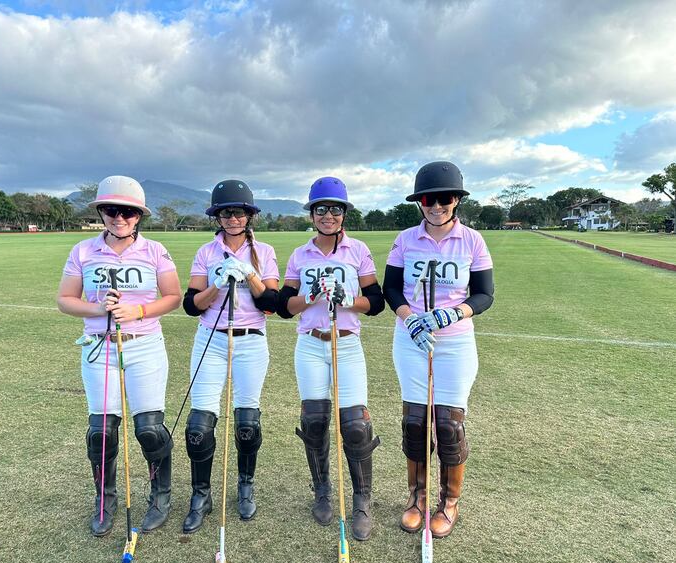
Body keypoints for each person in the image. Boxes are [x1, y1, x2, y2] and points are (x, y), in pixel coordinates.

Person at [57, 176, 182, 537]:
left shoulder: (155, 250)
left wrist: (138, 313)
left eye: (128, 211)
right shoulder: (83, 250)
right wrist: (98, 308)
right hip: (100, 347)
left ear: (138, 215)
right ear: (101, 212)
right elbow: (65, 299)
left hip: (144, 346)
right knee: (102, 432)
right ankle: (104, 500)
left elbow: (172, 296)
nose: (120, 218)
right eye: (112, 210)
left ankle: (160, 496)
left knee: (150, 429)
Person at [383, 161, 494, 538]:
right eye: (429, 199)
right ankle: (417, 498)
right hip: (412, 338)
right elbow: (391, 288)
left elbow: (484, 294)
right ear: (420, 202)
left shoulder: (473, 241)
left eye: (444, 198)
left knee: (448, 423)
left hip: (455, 341)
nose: (436, 206)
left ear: (456, 201)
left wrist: (452, 314)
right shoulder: (405, 239)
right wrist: (408, 316)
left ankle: (448, 502)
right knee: (415, 421)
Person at [277, 177, 385, 541]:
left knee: (355, 425)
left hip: (347, 343)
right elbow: (284, 308)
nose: (327, 215)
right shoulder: (299, 255)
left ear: (344, 214)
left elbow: (375, 304)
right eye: (320, 208)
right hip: (310, 344)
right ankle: (322, 490)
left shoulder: (358, 251)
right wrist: (310, 296)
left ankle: (361, 498)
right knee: (315, 421)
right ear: (312, 213)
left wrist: (345, 299)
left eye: (335, 209)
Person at [180, 179, 279, 533]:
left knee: (247, 421)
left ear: (249, 216)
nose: (233, 218)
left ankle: (245, 485)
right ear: (217, 218)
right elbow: (191, 305)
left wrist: (250, 274)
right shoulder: (206, 253)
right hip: (212, 338)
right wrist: (217, 283)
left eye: (239, 212)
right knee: (199, 424)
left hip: (251, 340)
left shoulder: (263, 251)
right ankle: (200, 494)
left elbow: (270, 303)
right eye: (226, 213)